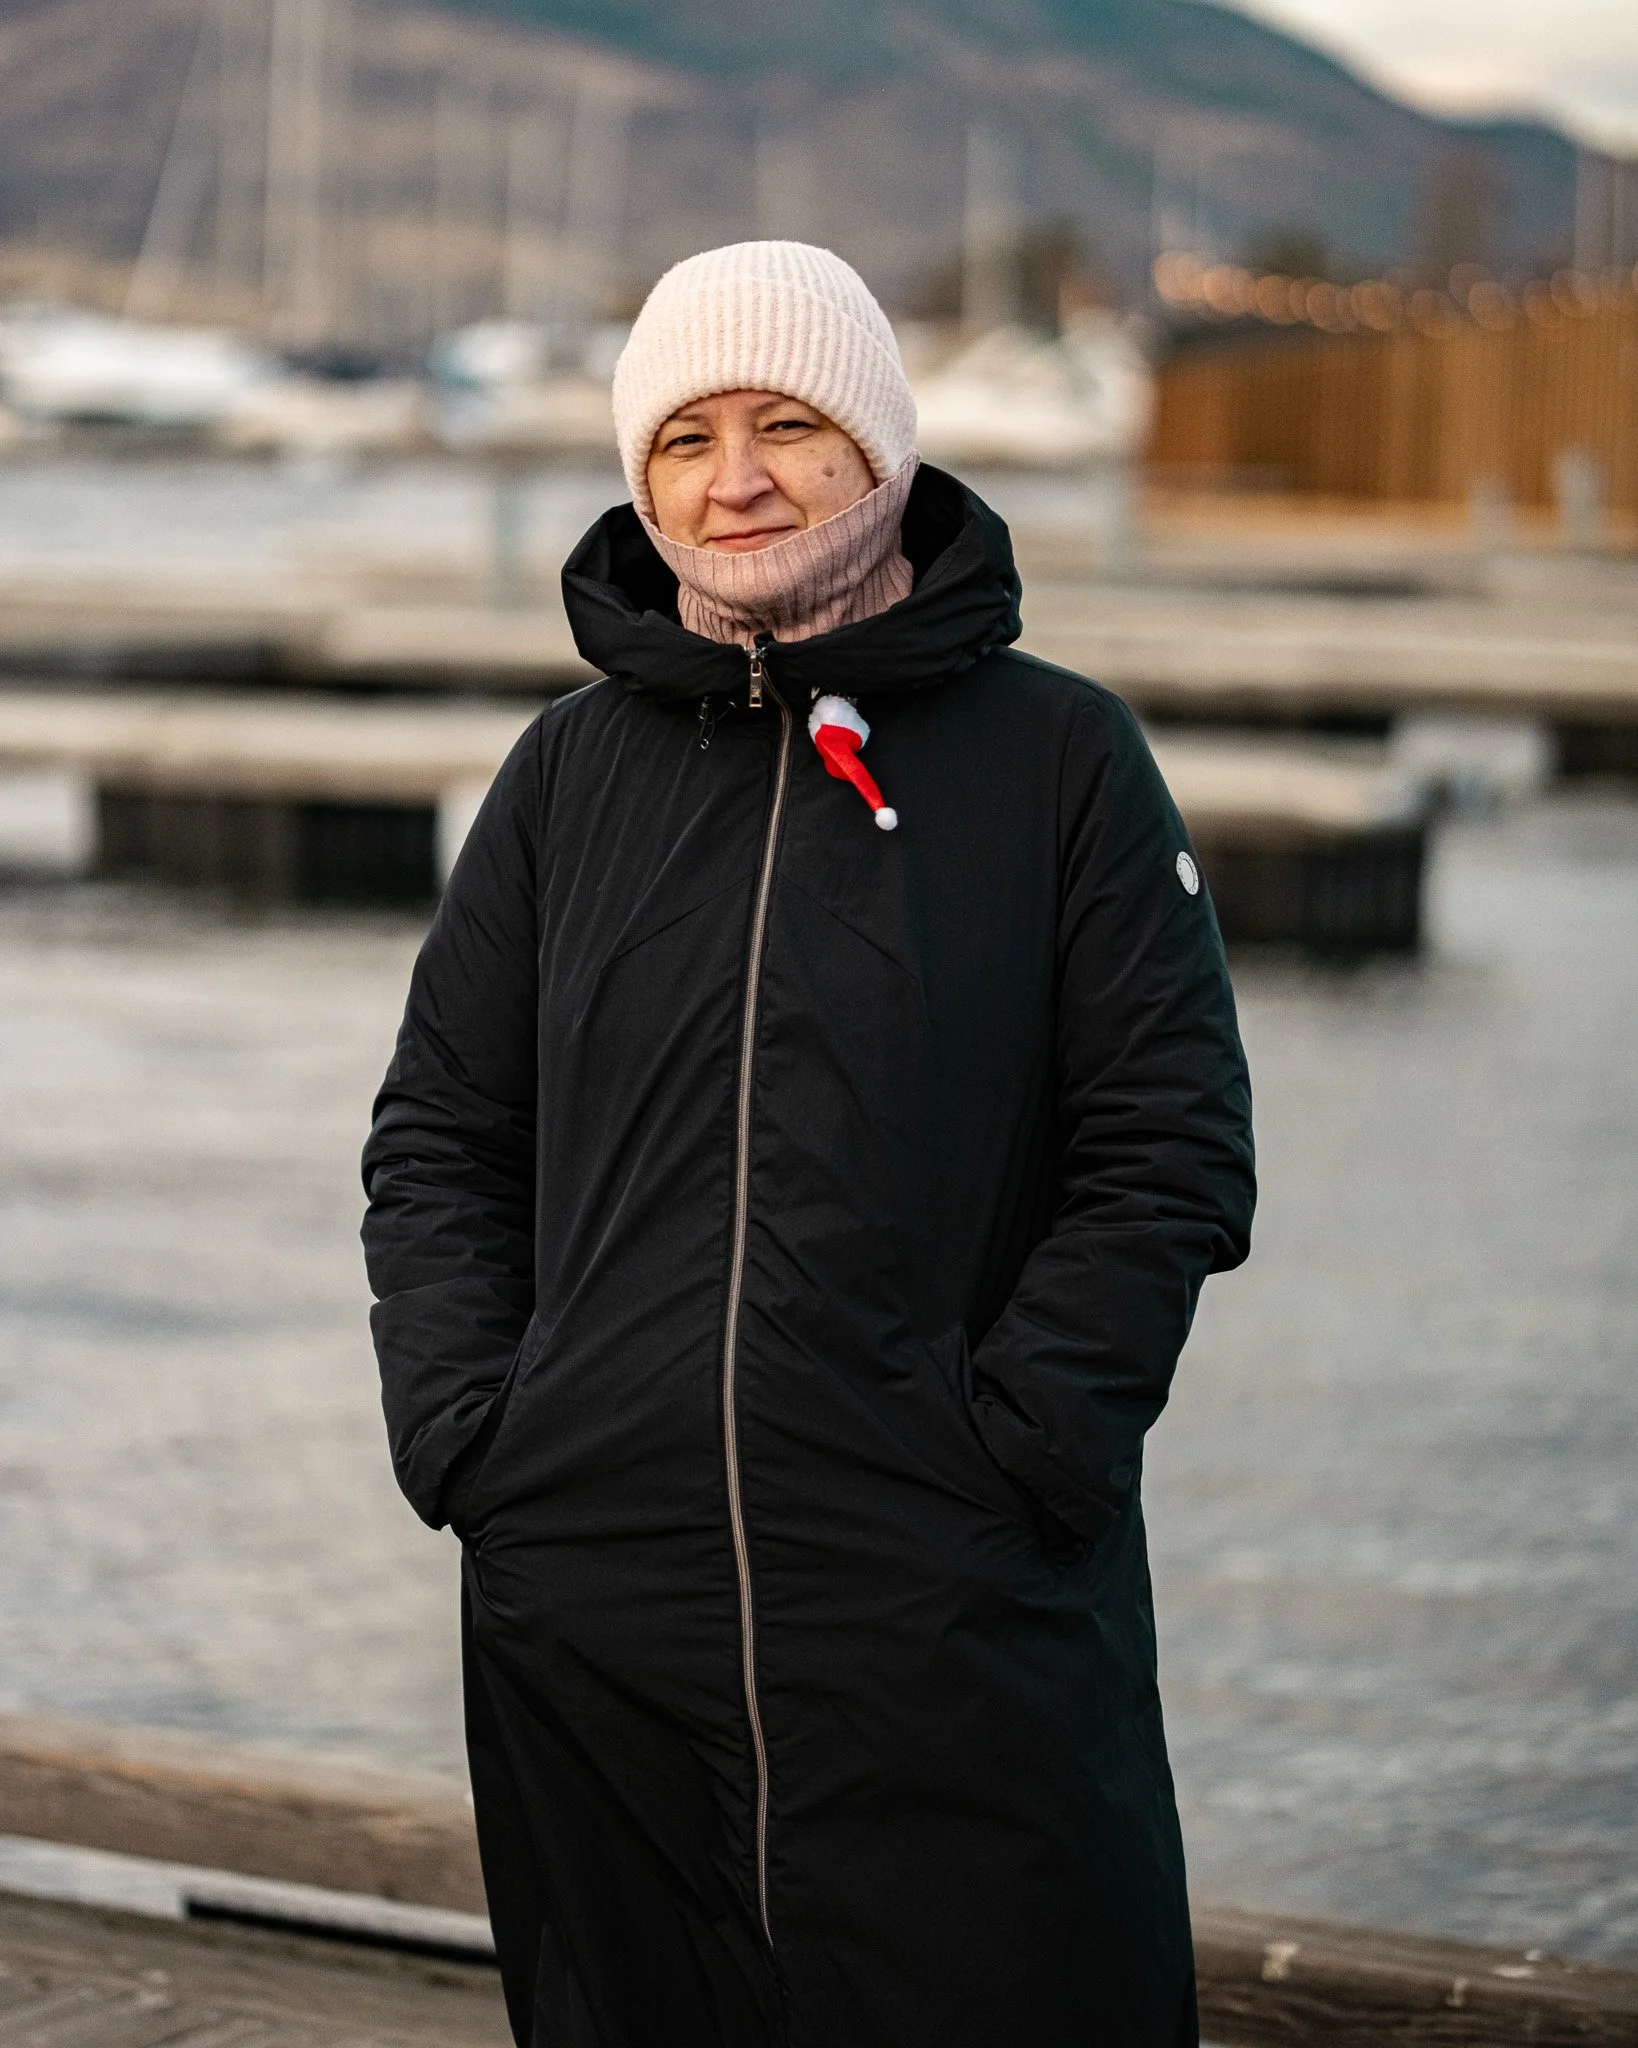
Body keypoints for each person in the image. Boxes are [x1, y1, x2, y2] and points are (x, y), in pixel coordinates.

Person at [362, 240, 1255, 2048]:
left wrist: (1021, 1450)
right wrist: (476, 1438)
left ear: (882, 454)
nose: (735, 475)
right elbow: (441, 1137)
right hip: (595, 1613)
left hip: (948, 1606)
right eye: (684, 436)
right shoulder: (565, 776)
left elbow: (1166, 1147)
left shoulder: (1061, 759)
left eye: (787, 425)